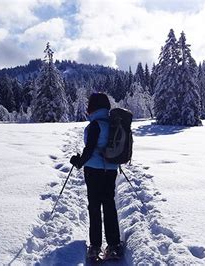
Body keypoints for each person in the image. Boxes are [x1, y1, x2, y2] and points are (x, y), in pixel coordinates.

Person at [70, 92, 123, 260]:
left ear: (92, 108)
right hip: (111, 169)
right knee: (109, 204)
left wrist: (78, 162)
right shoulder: (113, 123)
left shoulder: (95, 125)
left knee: (94, 206)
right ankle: (114, 245)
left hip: (93, 170)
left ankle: (95, 247)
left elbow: (90, 149)